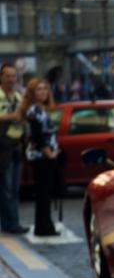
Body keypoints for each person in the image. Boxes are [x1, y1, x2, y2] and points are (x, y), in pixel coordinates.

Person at [20, 78, 60, 237]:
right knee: (43, 194)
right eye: (38, 89)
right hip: (41, 156)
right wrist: (49, 152)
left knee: (45, 193)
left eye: (45, 89)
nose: (43, 92)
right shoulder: (33, 111)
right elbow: (37, 135)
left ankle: (44, 226)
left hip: (47, 155)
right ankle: (44, 228)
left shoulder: (41, 108)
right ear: (32, 93)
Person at [0, 63, 27, 234]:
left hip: (17, 145)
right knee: (6, 187)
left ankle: (13, 221)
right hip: (3, 146)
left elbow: (23, 115)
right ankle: (9, 223)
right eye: (8, 76)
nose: (11, 79)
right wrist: (13, 116)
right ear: (1, 77)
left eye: (13, 76)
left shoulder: (18, 96)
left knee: (15, 188)